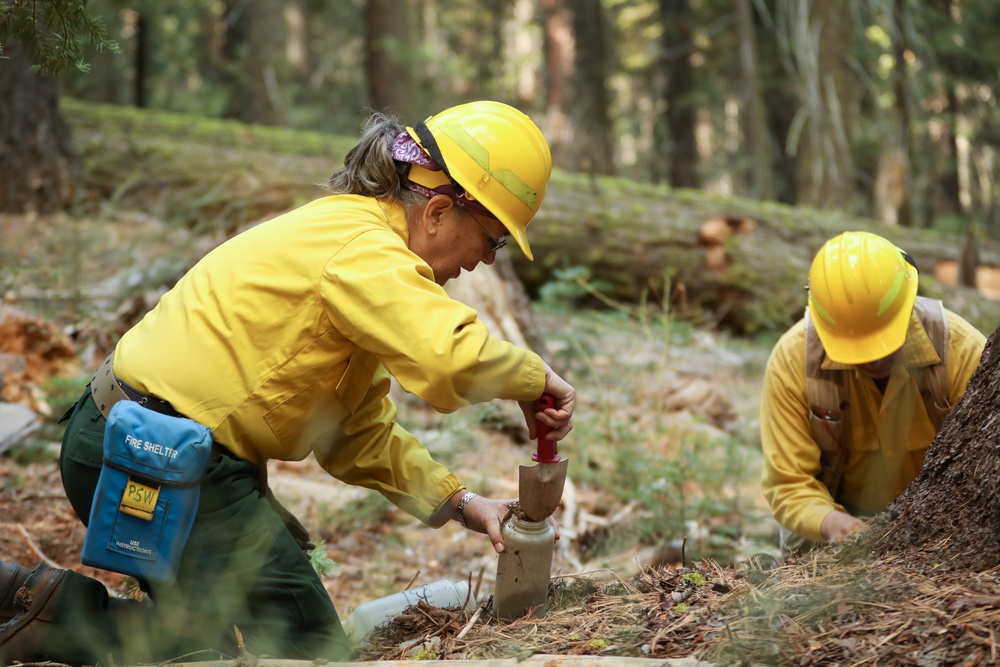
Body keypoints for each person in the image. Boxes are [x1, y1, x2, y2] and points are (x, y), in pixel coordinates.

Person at [0, 100, 576, 664]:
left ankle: (30, 599)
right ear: (438, 211)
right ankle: (51, 618)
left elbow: (354, 430)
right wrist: (532, 377)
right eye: (494, 239)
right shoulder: (363, 250)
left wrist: (460, 502)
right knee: (309, 647)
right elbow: (450, 361)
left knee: (198, 648)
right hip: (157, 454)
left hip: (136, 443)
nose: (485, 262)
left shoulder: (358, 251)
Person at [760, 231, 986, 556]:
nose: (874, 357)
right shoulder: (793, 361)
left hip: (943, 518)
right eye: (856, 348)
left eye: (884, 339)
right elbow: (789, 483)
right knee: (799, 545)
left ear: (908, 305)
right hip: (834, 515)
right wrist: (833, 523)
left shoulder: (962, 351)